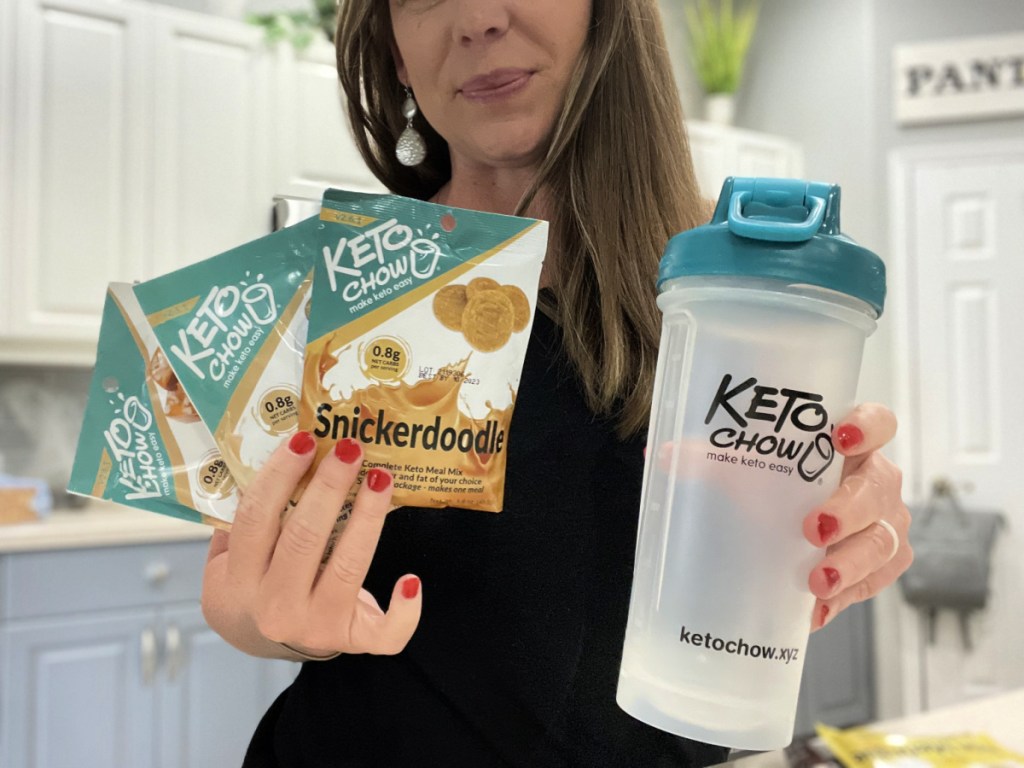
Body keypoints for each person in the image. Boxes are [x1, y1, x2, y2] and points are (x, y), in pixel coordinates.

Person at [201, 1, 913, 765]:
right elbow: (237, 586)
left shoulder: (736, 290)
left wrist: (849, 523)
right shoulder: (341, 284)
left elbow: (807, 517)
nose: (475, 18)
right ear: (397, 54)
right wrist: (265, 618)